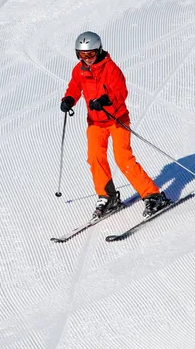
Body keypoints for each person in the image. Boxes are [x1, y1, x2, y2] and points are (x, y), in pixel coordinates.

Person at [60, 31, 171, 218]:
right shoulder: (78, 70)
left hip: (116, 120)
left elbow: (121, 93)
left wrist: (104, 100)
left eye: (90, 54)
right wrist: (69, 99)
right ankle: (108, 196)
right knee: (95, 158)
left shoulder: (111, 69)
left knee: (123, 158)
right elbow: (74, 87)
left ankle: (153, 194)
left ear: (99, 50)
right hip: (95, 122)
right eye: (82, 54)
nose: (86, 59)